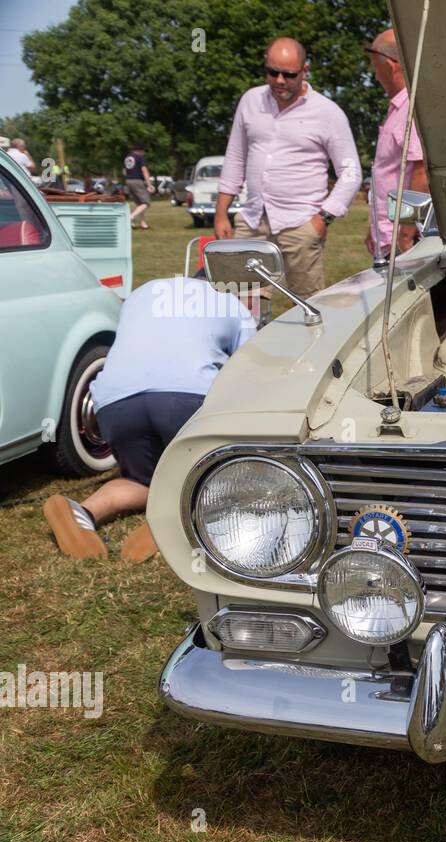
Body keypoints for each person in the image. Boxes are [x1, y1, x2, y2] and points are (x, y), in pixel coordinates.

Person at [42, 276, 256, 561]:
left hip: (113, 402)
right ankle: (178, 516)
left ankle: (82, 511)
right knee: (216, 477)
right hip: (186, 397)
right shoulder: (233, 302)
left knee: (144, 482)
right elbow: (250, 371)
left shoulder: (142, 294)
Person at [215, 37, 362, 314]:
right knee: (242, 305)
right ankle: (251, 355)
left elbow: (351, 172)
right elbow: (235, 156)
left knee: (308, 306)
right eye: (273, 72)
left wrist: (323, 219)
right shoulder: (250, 101)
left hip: (301, 225)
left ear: (304, 70)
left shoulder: (328, 112)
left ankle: (311, 357)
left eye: (289, 74)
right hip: (252, 219)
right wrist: (221, 211)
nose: (280, 80)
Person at [366, 28, 430, 261]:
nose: (374, 76)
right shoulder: (399, 108)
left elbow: (422, 172)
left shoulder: (410, 109)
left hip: (403, 243)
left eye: (375, 67)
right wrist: (374, 228)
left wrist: (406, 231)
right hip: (389, 236)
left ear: (390, 66)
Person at [123, 144, 154, 229]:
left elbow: (124, 171)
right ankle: (130, 217)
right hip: (137, 180)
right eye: (144, 151)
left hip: (128, 180)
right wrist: (149, 184)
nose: (144, 153)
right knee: (146, 203)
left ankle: (143, 223)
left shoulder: (127, 158)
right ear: (140, 150)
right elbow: (144, 170)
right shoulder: (140, 157)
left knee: (139, 204)